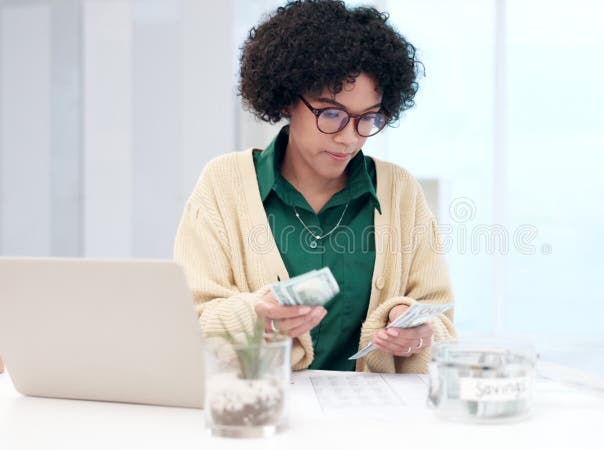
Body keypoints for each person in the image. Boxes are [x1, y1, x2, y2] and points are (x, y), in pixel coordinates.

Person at [174, 0, 455, 373]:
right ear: (289, 98)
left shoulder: (400, 192)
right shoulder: (223, 185)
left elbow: (444, 329)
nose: (349, 138)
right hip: (265, 413)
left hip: (372, 422)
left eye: (367, 118)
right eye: (332, 114)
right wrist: (257, 317)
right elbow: (186, 322)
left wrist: (416, 332)